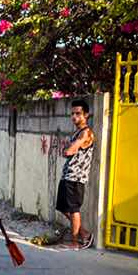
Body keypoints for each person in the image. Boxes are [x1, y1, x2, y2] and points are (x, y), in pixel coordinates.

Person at [57, 99, 95, 249]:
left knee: (73, 209)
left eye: (78, 114)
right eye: (72, 114)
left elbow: (69, 151)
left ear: (86, 115)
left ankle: (75, 242)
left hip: (76, 177)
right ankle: (84, 233)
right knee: (62, 207)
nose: (74, 117)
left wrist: (68, 149)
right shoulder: (77, 132)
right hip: (68, 175)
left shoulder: (86, 133)